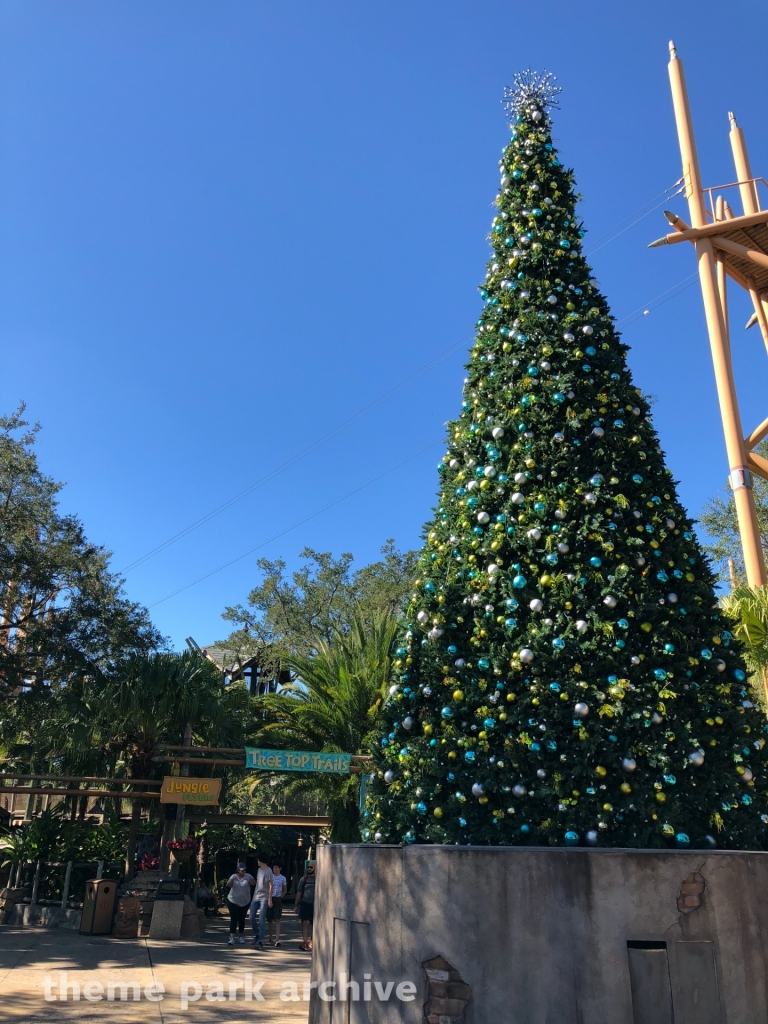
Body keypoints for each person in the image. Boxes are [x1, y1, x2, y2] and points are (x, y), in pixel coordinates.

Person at [225, 863, 255, 944]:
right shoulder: (233, 876)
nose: (243, 871)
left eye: (244, 870)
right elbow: (228, 885)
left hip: (245, 901)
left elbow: (253, 883)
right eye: (242, 870)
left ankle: (241, 937)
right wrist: (232, 880)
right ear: (238, 870)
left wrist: (251, 880)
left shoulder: (248, 876)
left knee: (242, 919)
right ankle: (232, 937)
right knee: (234, 919)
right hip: (233, 901)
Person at [250, 853, 273, 950]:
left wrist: (270, 899)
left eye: (258, 860)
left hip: (264, 897)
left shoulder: (269, 870)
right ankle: (257, 934)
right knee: (251, 917)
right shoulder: (259, 870)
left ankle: (260, 941)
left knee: (261, 919)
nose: (257, 862)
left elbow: (271, 885)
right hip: (256, 896)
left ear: (261, 860)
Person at [295, 861, 315, 951]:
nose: (309, 869)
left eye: (311, 867)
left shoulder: (319, 879)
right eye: (308, 867)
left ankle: (312, 940)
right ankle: (305, 942)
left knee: (314, 923)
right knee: (304, 923)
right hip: (305, 903)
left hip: (316, 905)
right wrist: (296, 905)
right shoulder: (304, 879)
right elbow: (299, 892)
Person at [267, 862, 287, 947]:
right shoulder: (270, 877)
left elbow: (285, 889)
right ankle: (270, 938)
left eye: (276, 867)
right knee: (269, 919)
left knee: (277, 918)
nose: (274, 869)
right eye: (273, 867)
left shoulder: (283, 878)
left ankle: (277, 939)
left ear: (280, 868)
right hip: (270, 898)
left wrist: (280, 896)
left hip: (277, 898)